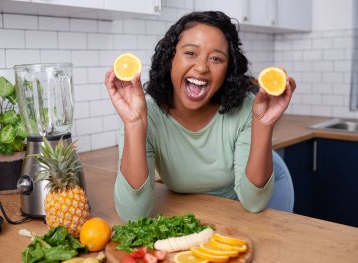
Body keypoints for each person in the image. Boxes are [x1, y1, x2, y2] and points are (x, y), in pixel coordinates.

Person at [105, 11, 296, 222]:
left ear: (228, 70)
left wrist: (264, 125)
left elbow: (254, 203)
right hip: (182, 223)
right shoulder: (143, 115)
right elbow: (133, 214)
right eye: (190, 53)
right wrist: (134, 123)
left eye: (216, 58)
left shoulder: (247, 110)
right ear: (170, 58)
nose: (202, 67)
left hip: (237, 222)